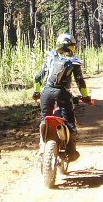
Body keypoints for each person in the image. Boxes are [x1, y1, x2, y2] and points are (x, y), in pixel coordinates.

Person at [33, 33, 91, 161]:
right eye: (72, 47)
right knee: (69, 121)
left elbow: (38, 77)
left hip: (46, 93)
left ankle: (42, 148)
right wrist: (86, 97)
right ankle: (71, 151)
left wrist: (36, 92)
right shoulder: (74, 62)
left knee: (44, 121)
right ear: (69, 47)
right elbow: (80, 81)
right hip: (62, 93)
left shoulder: (50, 57)